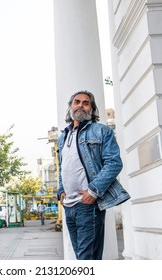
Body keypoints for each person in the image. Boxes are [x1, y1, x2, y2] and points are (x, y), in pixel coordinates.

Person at [57, 90, 130, 260]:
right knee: (86, 257)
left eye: (86, 103)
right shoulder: (63, 137)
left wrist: (93, 192)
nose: (81, 105)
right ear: (71, 106)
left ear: (92, 109)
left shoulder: (101, 131)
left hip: (88, 205)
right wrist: (61, 190)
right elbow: (63, 167)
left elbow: (114, 163)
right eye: (77, 102)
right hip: (69, 205)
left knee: (85, 258)